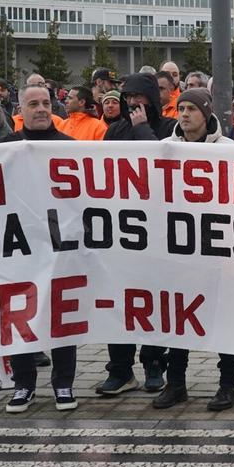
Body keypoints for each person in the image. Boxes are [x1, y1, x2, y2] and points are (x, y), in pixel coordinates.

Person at [154, 88, 234, 412]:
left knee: (224, 318)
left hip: (218, 247)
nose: (185, 114)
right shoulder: (166, 150)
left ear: (206, 114)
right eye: (181, 108)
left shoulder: (228, 149)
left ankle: (228, 384)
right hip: (179, 248)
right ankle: (175, 382)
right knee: (179, 317)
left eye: (192, 108)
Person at [0, 85, 79, 413]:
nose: (42, 109)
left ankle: (63, 383)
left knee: (62, 313)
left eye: (46, 103)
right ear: (21, 110)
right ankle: (24, 384)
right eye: (34, 104)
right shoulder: (5, 148)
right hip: (18, 243)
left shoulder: (70, 148)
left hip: (60, 243)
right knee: (19, 314)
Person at [98, 73, 177, 395]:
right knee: (118, 303)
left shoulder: (168, 129)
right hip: (122, 231)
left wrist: (143, 130)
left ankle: (154, 364)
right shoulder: (115, 130)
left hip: (157, 232)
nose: (131, 104)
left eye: (138, 98)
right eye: (127, 98)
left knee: (154, 304)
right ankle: (120, 369)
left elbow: (165, 164)